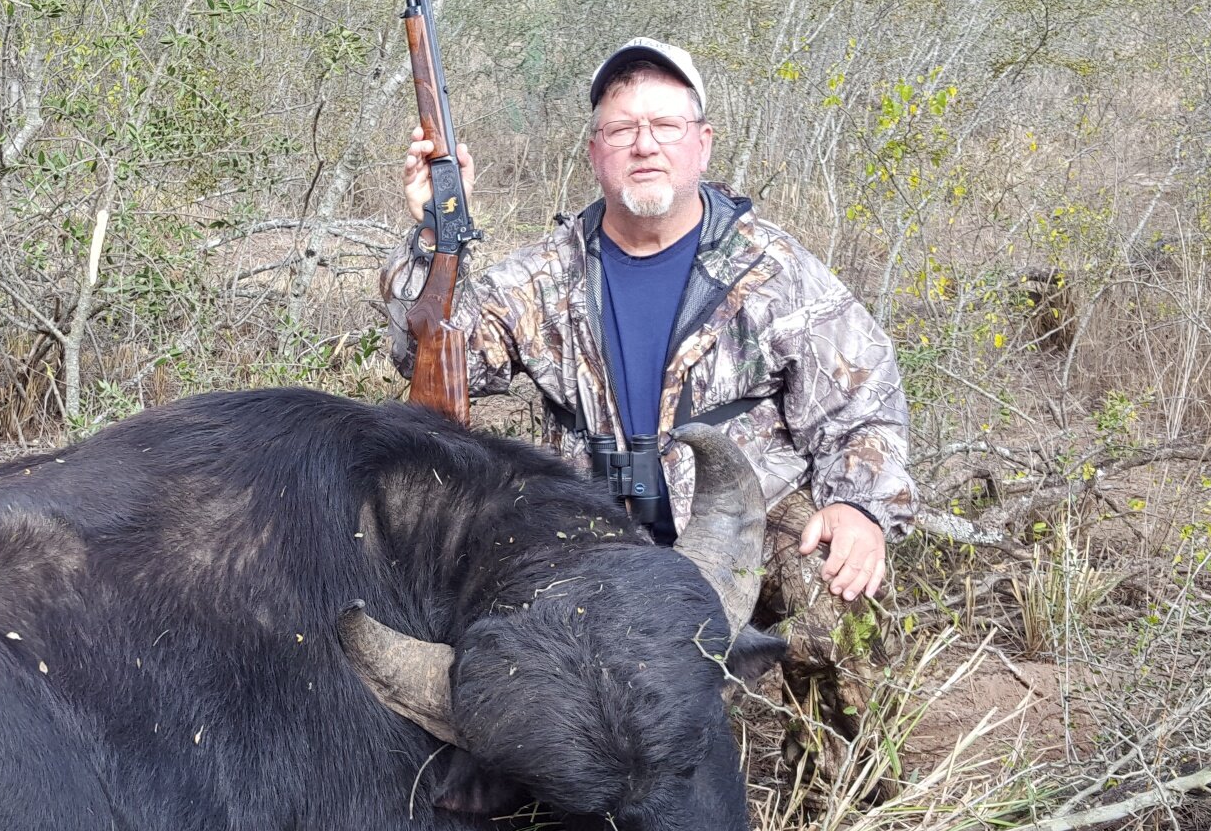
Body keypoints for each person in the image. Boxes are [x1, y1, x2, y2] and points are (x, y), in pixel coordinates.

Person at [381, 38, 919, 683]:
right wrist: (434, 236)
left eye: (666, 125)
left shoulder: (776, 271)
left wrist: (860, 508)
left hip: (749, 521)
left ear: (702, 142)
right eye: (620, 129)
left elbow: (865, 409)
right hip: (591, 527)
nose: (644, 145)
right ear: (594, 152)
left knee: (839, 591)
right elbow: (433, 358)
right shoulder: (546, 273)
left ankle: (846, 780)